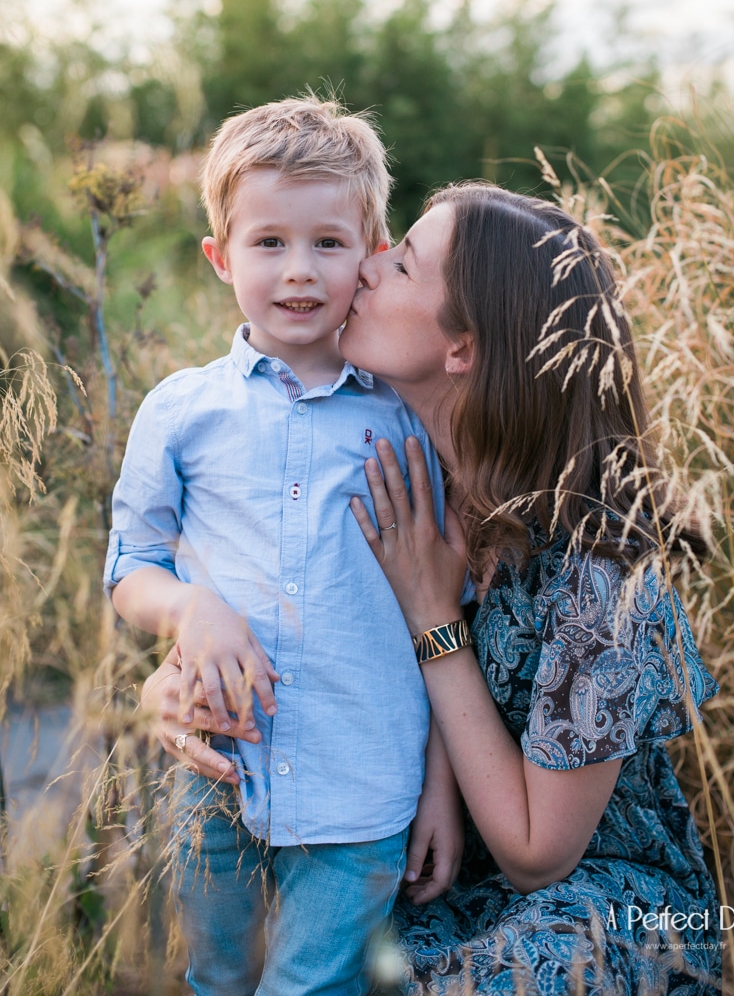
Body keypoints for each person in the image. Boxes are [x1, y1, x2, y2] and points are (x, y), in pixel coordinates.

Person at [144, 182, 722, 994]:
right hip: (423, 863)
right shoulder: (387, 467)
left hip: (600, 906)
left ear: (462, 349)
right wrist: (174, 672)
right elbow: (274, 599)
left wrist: (432, 614)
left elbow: (535, 857)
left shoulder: (600, 580)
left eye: (405, 264)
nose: (369, 267)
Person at [104, 97, 462, 996]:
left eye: (329, 244)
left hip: (363, 782)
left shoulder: (405, 422)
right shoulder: (182, 412)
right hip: (217, 766)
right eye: (268, 243)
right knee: (215, 975)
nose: (299, 271)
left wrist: (438, 790)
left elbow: (444, 617)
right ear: (221, 257)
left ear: (372, 257)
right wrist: (192, 606)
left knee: (311, 988)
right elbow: (129, 568)